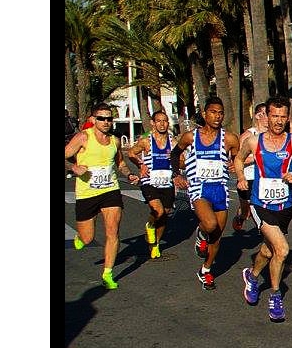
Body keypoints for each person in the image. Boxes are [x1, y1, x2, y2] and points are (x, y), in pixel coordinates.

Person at [235, 94, 292, 322]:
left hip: (285, 206)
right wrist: (241, 177)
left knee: (268, 249)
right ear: (267, 116)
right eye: (274, 116)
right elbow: (238, 159)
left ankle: (252, 276)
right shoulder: (254, 142)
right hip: (260, 203)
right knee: (281, 250)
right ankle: (275, 296)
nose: (278, 121)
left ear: (288, 118)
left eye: (283, 117)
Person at [170, 97, 241, 291]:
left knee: (217, 236)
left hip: (220, 189)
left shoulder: (230, 139)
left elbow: (238, 158)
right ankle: (201, 233)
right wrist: (176, 174)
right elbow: (174, 154)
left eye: (220, 113)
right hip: (199, 188)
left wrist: (236, 165)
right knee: (209, 225)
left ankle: (206, 270)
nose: (217, 116)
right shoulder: (190, 137)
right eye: (213, 112)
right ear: (204, 114)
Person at [65, 103, 138, 289]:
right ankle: (81, 238)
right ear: (93, 120)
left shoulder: (115, 141)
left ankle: (108, 273)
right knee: (88, 238)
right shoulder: (83, 137)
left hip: (110, 191)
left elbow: (120, 163)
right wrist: (73, 167)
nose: (106, 122)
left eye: (109, 118)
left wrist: (128, 174)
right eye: (101, 118)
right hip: (87, 193)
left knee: (113, 231)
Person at [124, 110, 176, 260]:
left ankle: (155, 244)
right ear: (153, 123)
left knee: (164, 214)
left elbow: (182, 160)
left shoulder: (173, 142)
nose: (162, 124)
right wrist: (141, 164)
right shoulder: (146, 140)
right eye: (158, 121)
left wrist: (176, 161)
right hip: (149, 180)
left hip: (167, 181)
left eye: (165, 121)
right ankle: (150, 225)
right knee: (158, 210)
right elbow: (131, 153)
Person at [233, 101, 268, 232]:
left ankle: (264, 231)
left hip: (265, 178)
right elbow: (239, 159)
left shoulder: (272, 136)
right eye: (266, 114)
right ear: (258, 116)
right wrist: (257, 157)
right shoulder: (248, 135)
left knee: (261, 208)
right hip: (248, 178)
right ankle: (241, 215)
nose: (269, 117)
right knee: (247, 211)